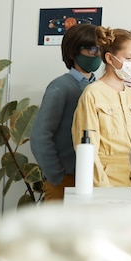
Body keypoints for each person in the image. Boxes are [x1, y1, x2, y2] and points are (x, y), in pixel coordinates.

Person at [30, 24, 101, 201]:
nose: (97, 54)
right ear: (72, 52)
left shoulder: (100, 88)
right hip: (66, 179)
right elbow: (40, 136)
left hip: (94, 179)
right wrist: (57, 176)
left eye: (100, 48)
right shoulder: (60, 87)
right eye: (91, 49)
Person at [71, 27, 131, 187]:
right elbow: (87, 149)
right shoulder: (92, 94)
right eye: (129, 58)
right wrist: (103, 189)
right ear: (110, 58)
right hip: (106, 182)